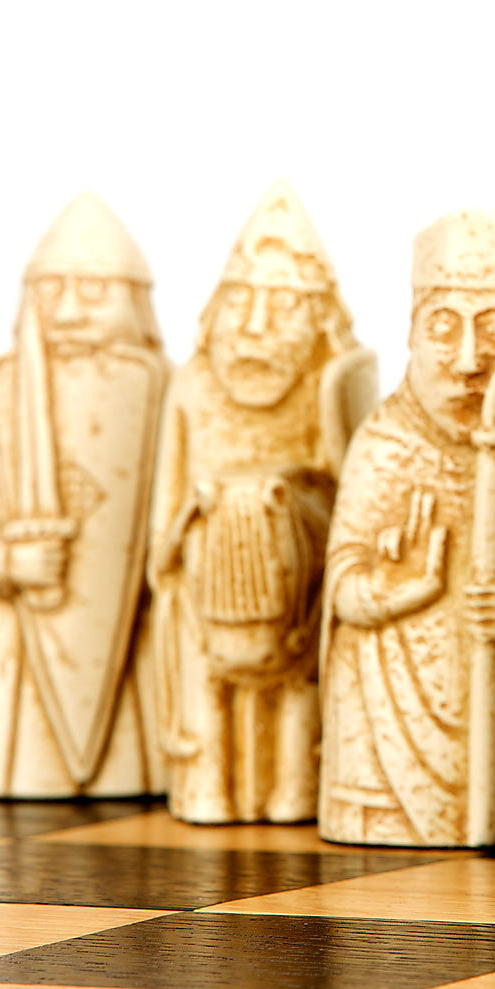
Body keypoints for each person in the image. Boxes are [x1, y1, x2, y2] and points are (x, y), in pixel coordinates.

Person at [320, 208, 495, 847]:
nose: (470, 360)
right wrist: (384, 591)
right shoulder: (386, 442)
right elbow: (341, 583)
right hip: (389, 733)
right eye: (443, 328)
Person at [149, 181, 375, 822]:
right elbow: (164, 510)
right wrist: (188, 535)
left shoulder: (334, 384)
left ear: (321, 319)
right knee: (204, 669)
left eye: (283, 306)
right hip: (204, 591)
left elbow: (356, 502)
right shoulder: (193, 385)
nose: (253, 327)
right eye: (240, 302)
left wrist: (288, 510)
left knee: (302, 676)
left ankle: (298, 785)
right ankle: (207, 785)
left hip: (299, 590)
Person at [0, 193, 168, 798]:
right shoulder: (0, 393)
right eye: (50, 290)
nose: (67, 310)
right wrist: (4, 562)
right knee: (10, 736)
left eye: (93, 292)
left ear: (132, 299)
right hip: (13, 645)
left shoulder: (167, 389)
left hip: (131, 639)